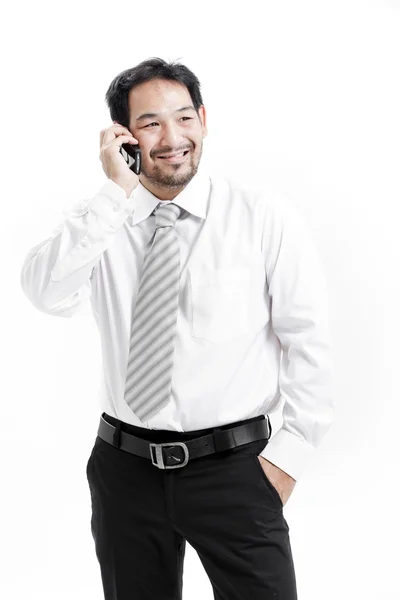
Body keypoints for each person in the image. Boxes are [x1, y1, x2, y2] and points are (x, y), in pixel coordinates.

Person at [20, 57, 334, 600]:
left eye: (184, 118)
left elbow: (309, 344)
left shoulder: (261, 217)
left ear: (204, 120)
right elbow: (46, 293)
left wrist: (287, 461)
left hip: (235, 471)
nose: (172, 138)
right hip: (124, 470)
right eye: (150, 124)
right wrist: (112, 193)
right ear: (122, 137)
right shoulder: (102, 222)